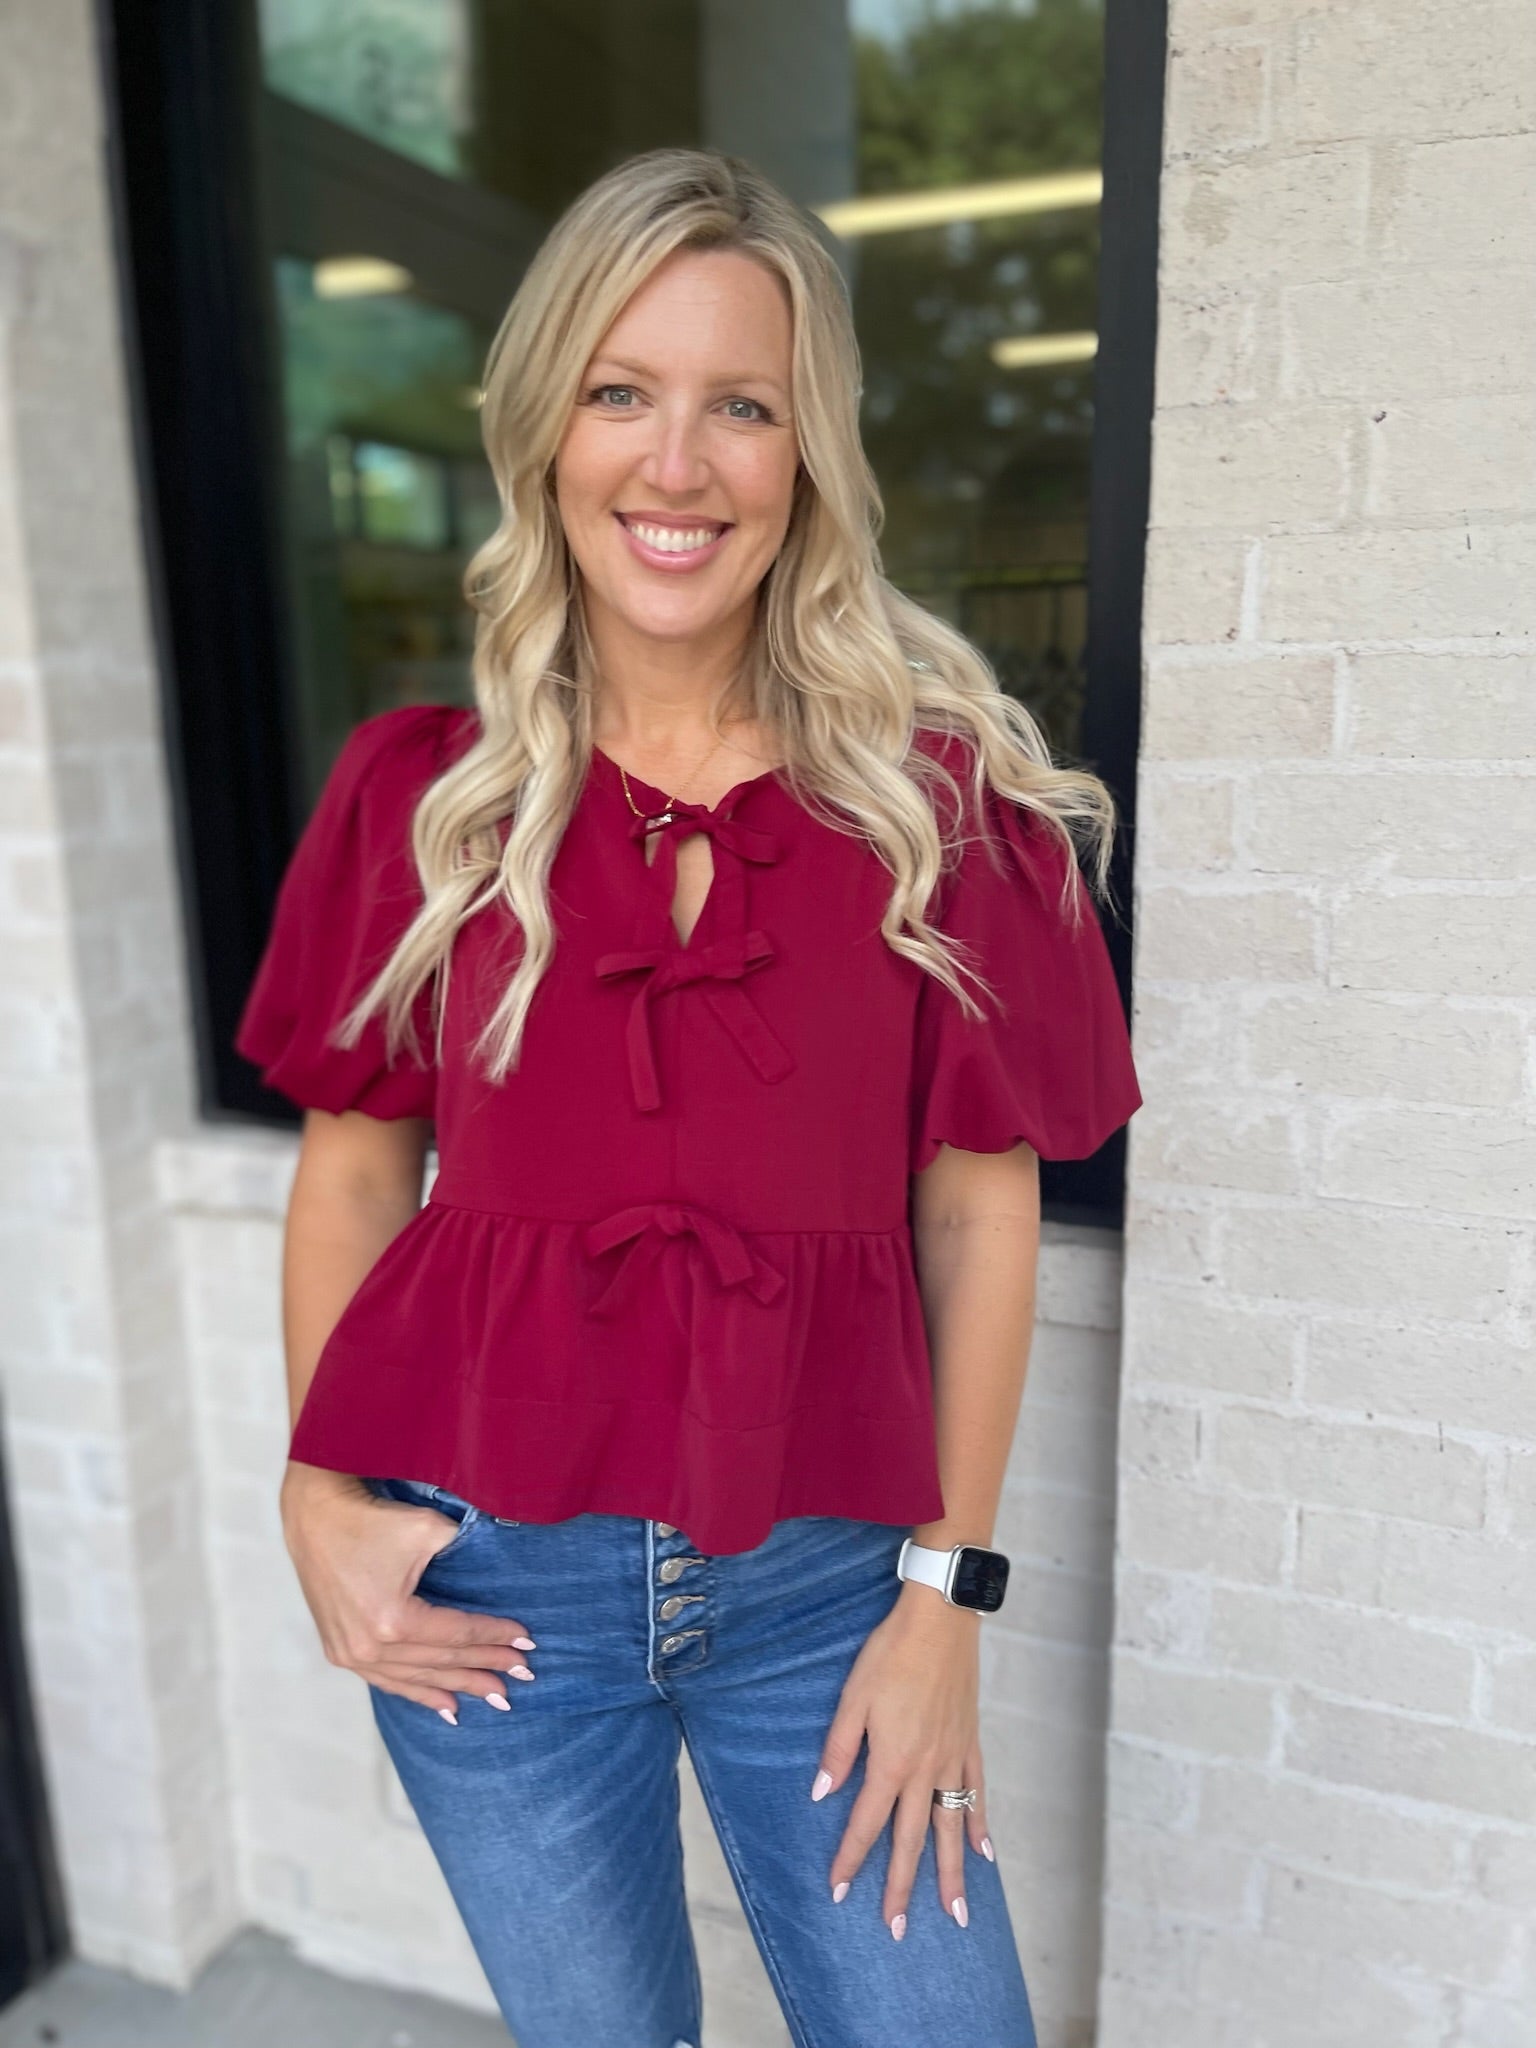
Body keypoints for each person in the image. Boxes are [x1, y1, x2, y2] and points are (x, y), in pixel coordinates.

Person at [236, 146, 1140, 2048]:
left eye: (742, 405)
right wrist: (317, 1492)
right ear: (544, 426)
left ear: (807, 456)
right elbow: (348, 1175)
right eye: (621, 392)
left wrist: (944, 1602)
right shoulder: (426, 796)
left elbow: (980, 1216)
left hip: (827, 1587)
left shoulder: (942, 806)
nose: (677, 464)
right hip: (485, 1583)